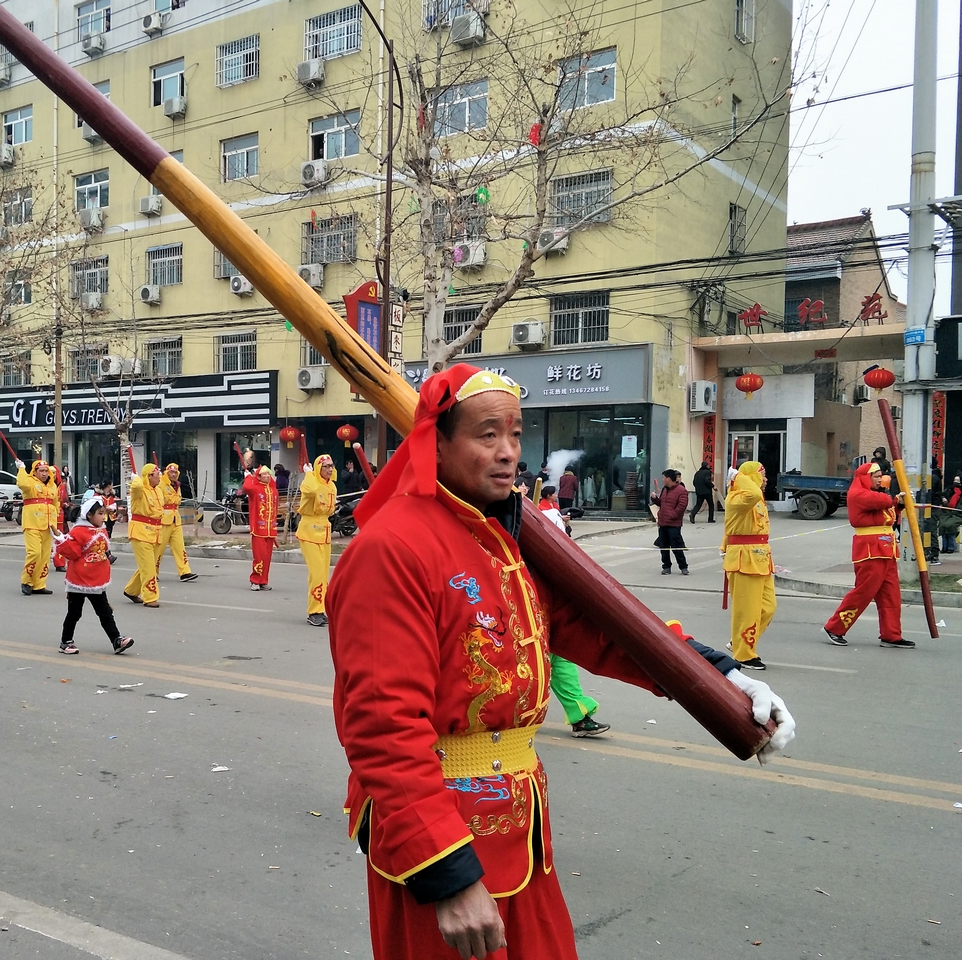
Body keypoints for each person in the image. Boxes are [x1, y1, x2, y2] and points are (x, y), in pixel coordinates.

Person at [328, 364, 794, 960]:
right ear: (437, 442)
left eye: (516, 435)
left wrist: (720, 674)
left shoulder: (501, 538)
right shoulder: (392, 548)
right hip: (440, 847)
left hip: (518, 834)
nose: (507, 453)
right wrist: (447, 875)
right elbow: (381, 727)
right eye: (486, 435)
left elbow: (598, 628)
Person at [535, 485, 612, 737]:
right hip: (525, 609)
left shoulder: (540, 517)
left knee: (562, 661)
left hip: (549, 605)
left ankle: (579, 715)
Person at [822, 462, 913, 649]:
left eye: (881, 475)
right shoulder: (858, 494)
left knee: (891, 595)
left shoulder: (875, 495)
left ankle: (891, 635)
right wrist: (896, 499)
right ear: (865, 477)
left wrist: (899, 505)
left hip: (886, 549)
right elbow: (883, 502)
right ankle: (834, 628)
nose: (881, 479)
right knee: (863, 592)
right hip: (869, 551)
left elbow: (889, 514)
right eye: (876, 476)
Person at [55, 499, 134, 655]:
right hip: (78, 579)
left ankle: (116, 640)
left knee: (104, 612)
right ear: (89, 515)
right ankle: (65, 641)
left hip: (96, 580)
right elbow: (73, 554)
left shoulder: (101, 530)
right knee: (75, 613)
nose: (103, 517)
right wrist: (62, 540)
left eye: (103, 513)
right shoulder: (78, 531)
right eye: (100, 513)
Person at [722, 461, 775, 669]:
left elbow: (730, 527)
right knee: (747, 610)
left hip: (761, 558)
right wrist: (738, 477)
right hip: (744, 559)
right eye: (762, 475)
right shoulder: (737, 497)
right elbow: (750, 494)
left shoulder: (758, 498)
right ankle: (743, 654)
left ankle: (739, 641)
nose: (766, 480)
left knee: (768, 607)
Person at [297, 453, 337, 626]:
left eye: (331, 466)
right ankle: (314, 611)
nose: (329, 469)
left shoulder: (332, 487)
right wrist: (308, 473)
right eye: (325, 466)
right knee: (317, 573)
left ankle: (321, 609)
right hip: (309, 531)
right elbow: (311, 490)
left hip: (325, 532)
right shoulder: (311, 482)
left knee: (324, 574)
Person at [15, 459, 61, 595]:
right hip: (32, 523)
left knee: (45, 556)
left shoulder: (53, 486)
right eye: (41, 471)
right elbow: (21, 484)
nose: (44, 473)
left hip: (48, 525)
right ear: (34, 472)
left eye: (46, 470)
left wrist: (55, 522)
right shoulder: (29, 482)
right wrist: (21, 469)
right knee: (34, 553)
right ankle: (27, 581)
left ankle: (39, 584)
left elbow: (55, 503)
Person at [122, 463, 164, 607]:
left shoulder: (158, 490)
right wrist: (136, 478)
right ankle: (150, 597)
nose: (160, 476)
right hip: (141, 532)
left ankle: (131, 591)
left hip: (156, 532)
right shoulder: (139, 491)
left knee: (148, 565)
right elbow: (137, 486)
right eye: (157, 474)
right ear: (149, 476)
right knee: (148, 567)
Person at [159, 462, 198, 582]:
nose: (173, 474)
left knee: (180, 547)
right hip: (163, 519)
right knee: (159, 548)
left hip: (176, 519)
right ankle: (152, 572)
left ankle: (185, 572)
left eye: (175, 472)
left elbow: (177, 500)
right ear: (166, 472)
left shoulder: (177, 485)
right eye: (171, 472)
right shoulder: (160, 483)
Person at [243, 464, 279, 591]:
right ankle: (255, 580)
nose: (267, 476)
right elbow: (246, 487)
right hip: (258, 529)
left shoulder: (273, 489)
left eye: (268, 474)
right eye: (264, 474)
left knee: (267, 558)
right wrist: (248, 477)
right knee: (259, 556)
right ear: (258, 477)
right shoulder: (255, 489)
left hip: (270, 529)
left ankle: (263, 580)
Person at [652, 469, 689, 576]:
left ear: (668, 479)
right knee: (663, 547)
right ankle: (666, 566)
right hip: (663, 523)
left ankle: (683, 566)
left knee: (676, 547)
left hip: (674, 524)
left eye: (663, 477)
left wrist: (672, 515)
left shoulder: (681, 490)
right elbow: (661, 503)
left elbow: (681, 507)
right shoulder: (664, 490)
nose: (662, 480)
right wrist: (654, 499)